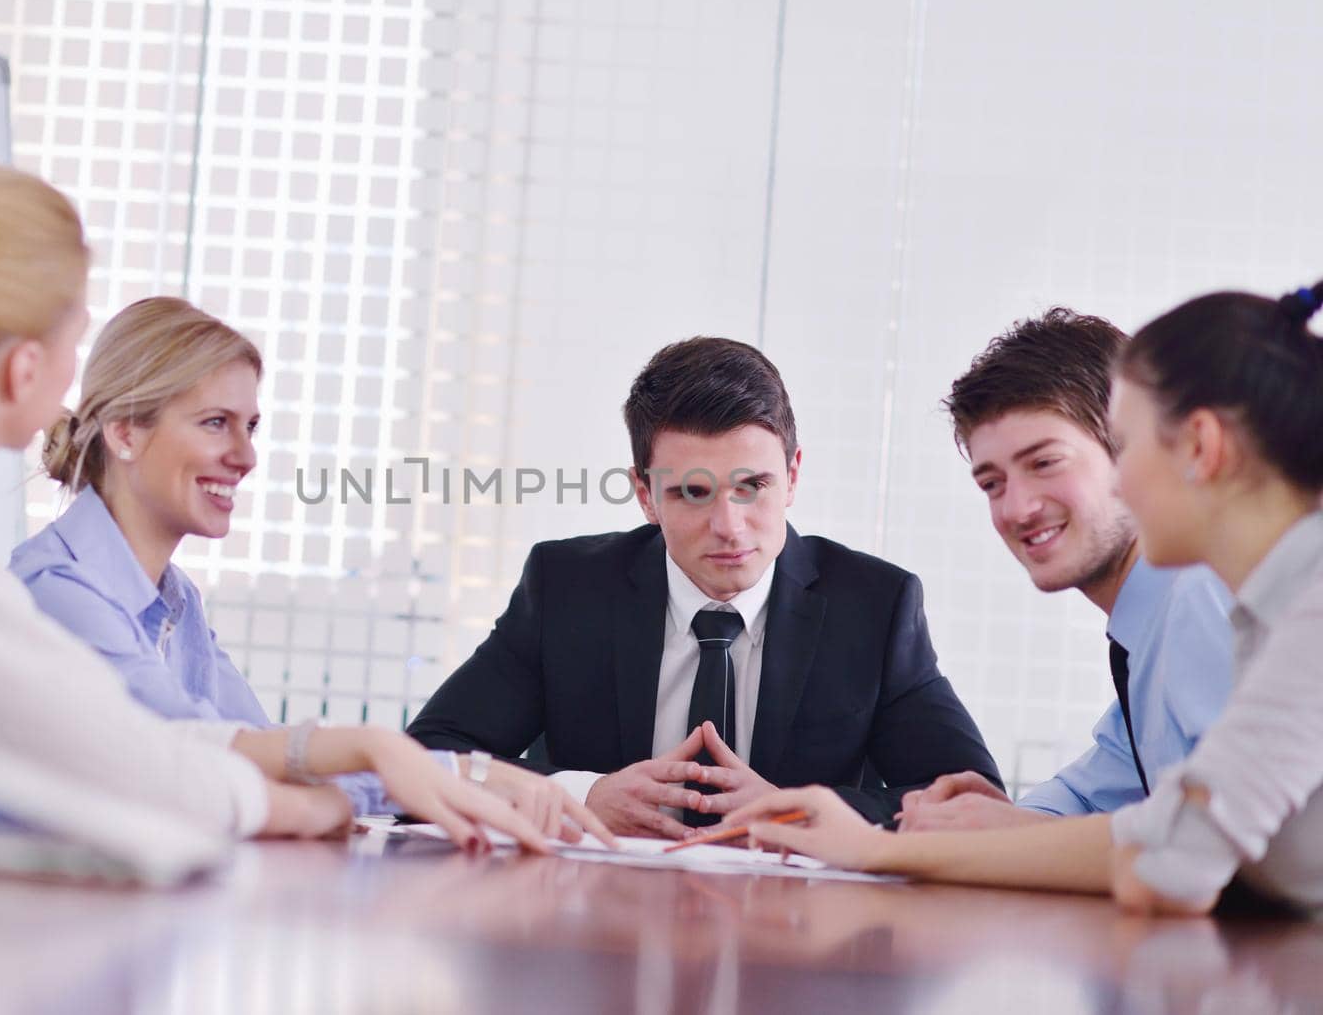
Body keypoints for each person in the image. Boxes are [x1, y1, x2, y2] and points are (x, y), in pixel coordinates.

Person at [0, 166, 549, 856]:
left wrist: (364, 759)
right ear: (21, 370)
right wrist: (288, 804)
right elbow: (108, 747)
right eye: (75, 338)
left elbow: (133, 735)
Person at [727, 281, 1323, 916]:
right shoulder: (1237, 614)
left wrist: (880, 849)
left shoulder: (1231, 608)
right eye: (992, 483)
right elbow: (1119, 800)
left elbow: (1176, 860)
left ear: (1199, 448)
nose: (1016, 508)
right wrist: (977, 823)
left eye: (1127, 445)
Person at [11, 296, 613, 846]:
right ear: (124, 433)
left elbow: (271, 758)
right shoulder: (59, 590)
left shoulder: (175, 600)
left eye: (250, 428)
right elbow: (196, 764)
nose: (246, 457)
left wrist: (443, 774)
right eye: (215, 423)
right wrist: (399, 766)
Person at [408, 336, 1001, 839]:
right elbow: (426, 760)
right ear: (645, 495)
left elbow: (969, 804)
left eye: (753, 486)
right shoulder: (567, 588)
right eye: (692, 493)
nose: (729, 526)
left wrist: (795, 813)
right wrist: (582, 796)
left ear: (792, 477)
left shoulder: (874, 607)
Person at [896, 309, 1232, 831]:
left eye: (1044, 462)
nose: (1016, 509)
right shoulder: (1147, 631)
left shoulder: (1201, 597)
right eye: (992, 483)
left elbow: (1217, 840)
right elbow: (1094, 792)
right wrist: (993, 819)